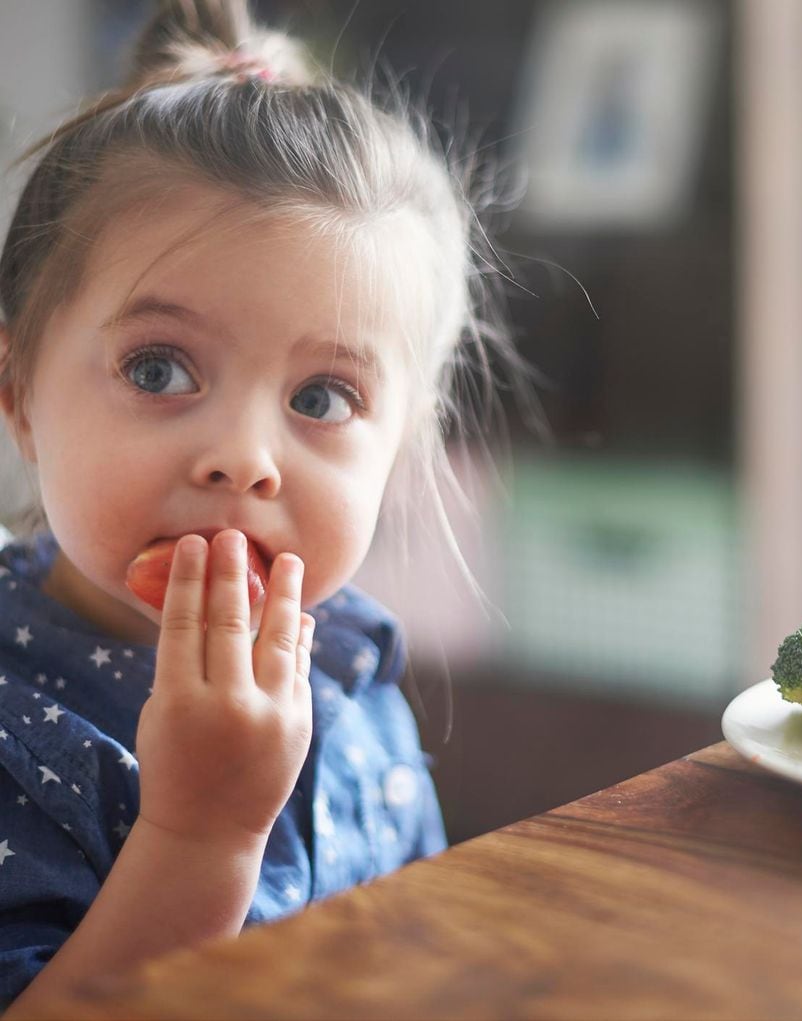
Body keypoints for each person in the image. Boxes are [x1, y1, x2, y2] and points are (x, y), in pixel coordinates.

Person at [0, 0, 512, 1011]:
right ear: (17, 396)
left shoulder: (357, 675)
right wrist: (200, 834)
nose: (243, 460)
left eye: (321, 398)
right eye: (159, 368)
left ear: (400, 451)